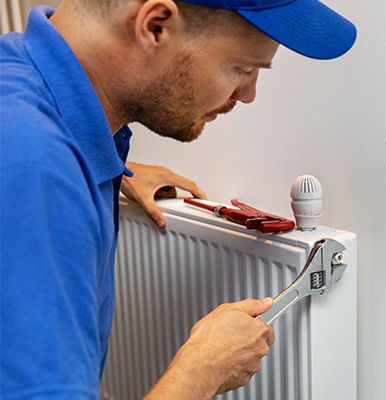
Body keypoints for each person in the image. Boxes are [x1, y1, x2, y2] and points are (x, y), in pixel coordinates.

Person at [0, 0, 356, 398]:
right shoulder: (34, 166)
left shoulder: (22, 83)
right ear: (156, 26)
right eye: (243, 68)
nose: (248, 93)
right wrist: (202, 369)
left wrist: (105, 165)